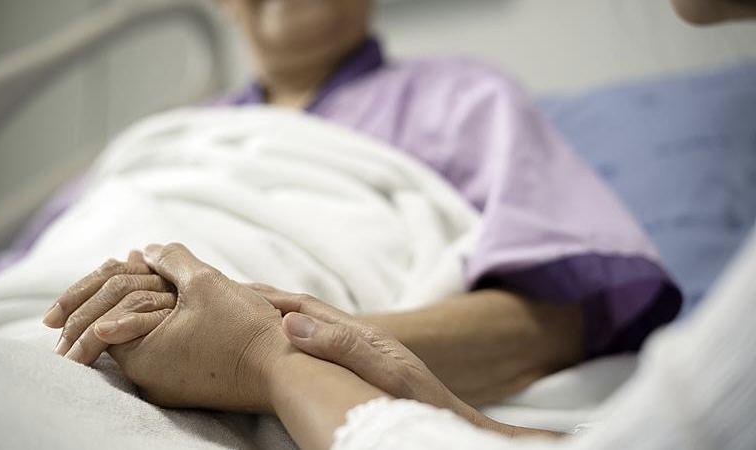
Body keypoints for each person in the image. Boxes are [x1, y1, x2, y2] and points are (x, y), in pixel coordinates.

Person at [38, 0, 681, 408]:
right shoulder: (160, 140)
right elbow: (26, 284)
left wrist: (252, 350)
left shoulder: (462, 97)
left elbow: (566, 320)